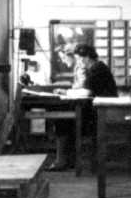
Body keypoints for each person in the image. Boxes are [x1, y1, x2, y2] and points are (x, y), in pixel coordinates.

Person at [47, 43, 117, 171]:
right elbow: (87, 90)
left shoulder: (97, 69)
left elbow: (87, 92)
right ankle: (67, 161)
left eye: (79, 58)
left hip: (101, 113)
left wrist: (66, 92)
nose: (78, 62)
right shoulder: (97, 67)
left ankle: (63, 161)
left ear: (87, 57)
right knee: (65, 120)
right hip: (98, 110)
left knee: (63, 121)